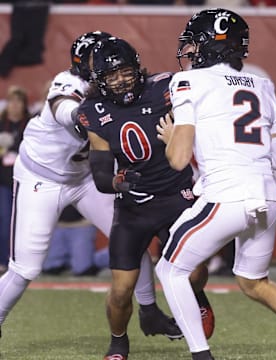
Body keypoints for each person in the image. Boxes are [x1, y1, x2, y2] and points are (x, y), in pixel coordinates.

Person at [155, 8, 276, 360]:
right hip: (269, 196)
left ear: (210, 44)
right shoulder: (263, 85)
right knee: (253, 282)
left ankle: (201, 355)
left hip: (227, 193)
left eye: (195, 44)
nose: (191, 51)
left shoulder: (188, 82)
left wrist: (173, 138)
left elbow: (179, 158)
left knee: (169, 269)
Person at [0, 31, 182, 344]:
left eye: (120, 66)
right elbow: (64, 109)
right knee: (25, 268)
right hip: (40, 179)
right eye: (108, 68)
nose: (118, 74)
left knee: (131, 237)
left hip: (83, 177)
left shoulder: (125, 89)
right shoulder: (71, 84)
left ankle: (149, 310)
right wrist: (93, 115)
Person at [77, 36, 214, 360]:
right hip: (134, 206)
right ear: (100, 81)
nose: (121, 80)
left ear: (137, 68)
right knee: (122, 290)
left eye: (125, 71)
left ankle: (198, 296)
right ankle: (119, 342)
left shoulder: (166, 87)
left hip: (177, 196)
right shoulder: (92, 112)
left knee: (193, 272)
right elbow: (99, 173)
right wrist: (117, 183)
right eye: (112, 76)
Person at [0, 85, 30, 274]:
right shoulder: (1, 123)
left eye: (18, 101)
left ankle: (24, 261)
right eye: (11, 101)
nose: (14, 105)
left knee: (25, 222)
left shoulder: (30, 124)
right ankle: (4, 261)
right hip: (3, 182)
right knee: (4, 220)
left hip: (24, 182)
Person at [42, 205, 99, 276]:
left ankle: (77, 261)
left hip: (82, 225)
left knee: (83, 269)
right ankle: (67, 262)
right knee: (50, 268)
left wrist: (94, 220)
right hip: (57, 226)